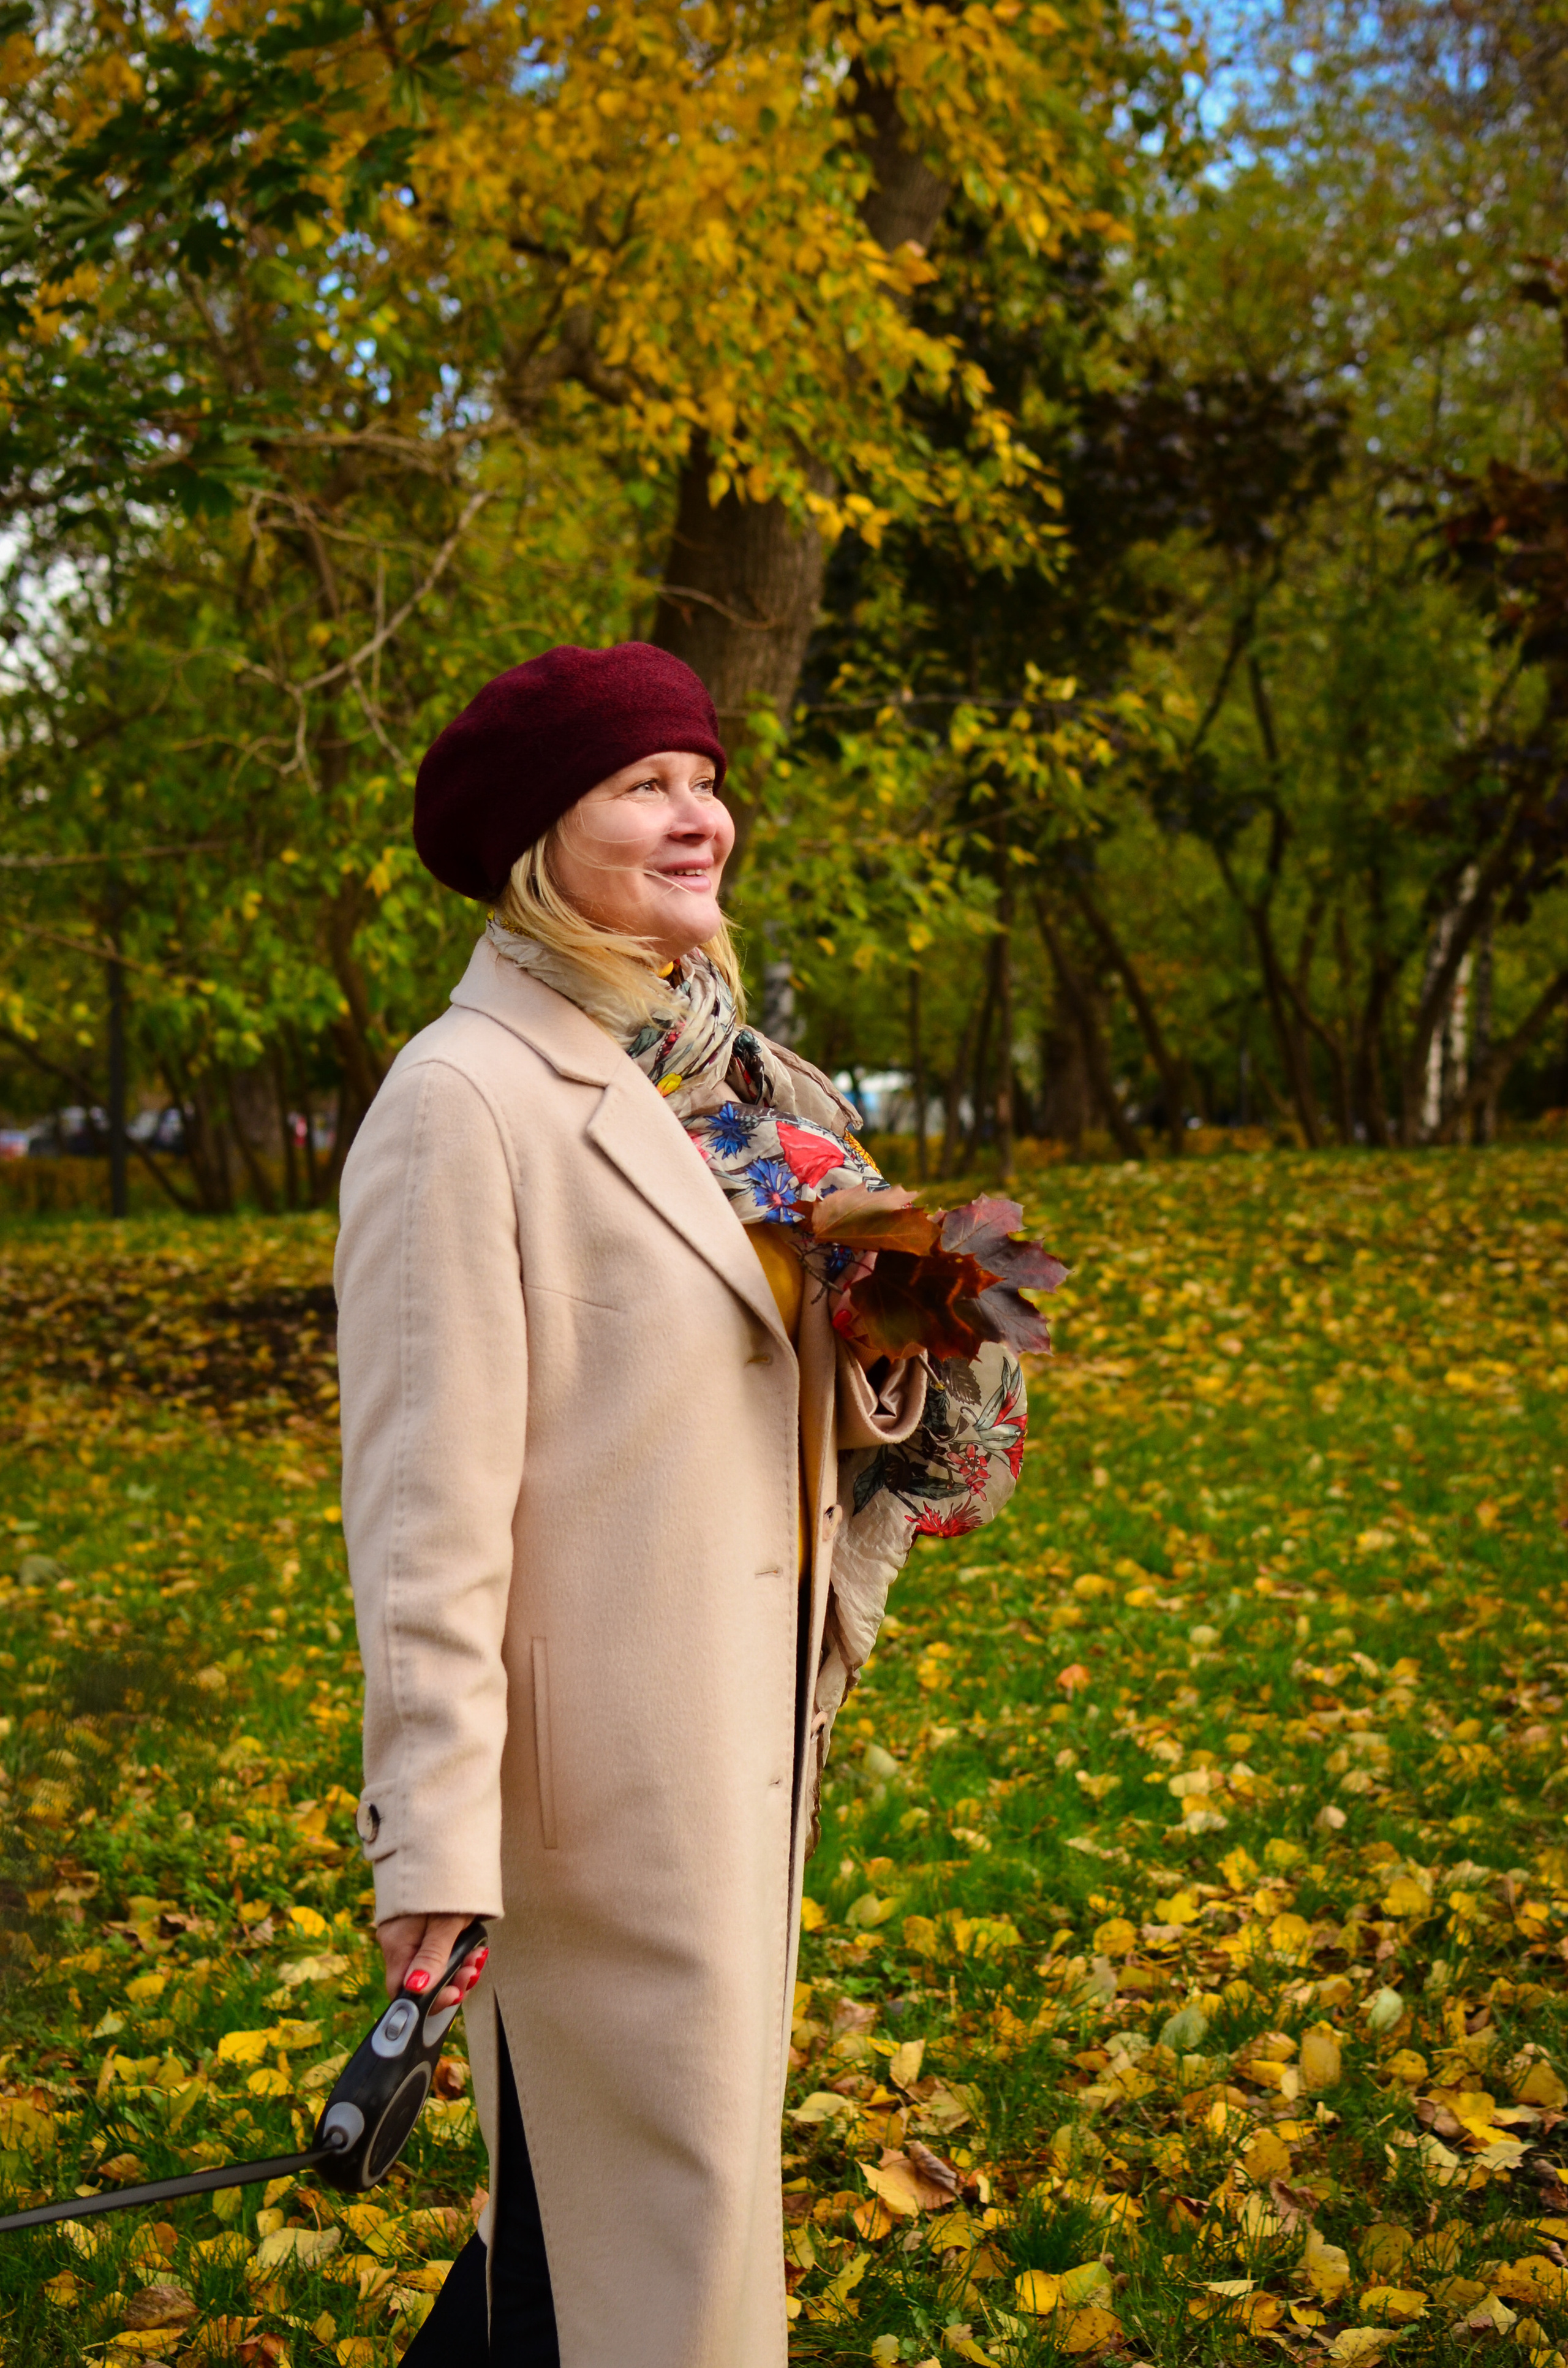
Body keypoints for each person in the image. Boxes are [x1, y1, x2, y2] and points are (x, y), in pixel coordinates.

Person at [334, 643, 1027, 2367]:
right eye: (641, 784)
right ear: (533, 841)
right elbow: (425, 1503)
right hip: (592, 1799)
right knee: (626, 2257)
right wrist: (429, 1842)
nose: (697, 813)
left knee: (623, 2242)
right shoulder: (462, 1100)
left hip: (739, 1744)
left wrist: (887, 1334)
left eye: (702, 776)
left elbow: (776, 1411)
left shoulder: (745, 1095)